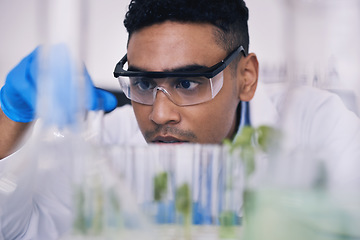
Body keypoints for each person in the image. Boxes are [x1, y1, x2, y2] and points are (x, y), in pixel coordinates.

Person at [0, 0, 360, 239]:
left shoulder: (317, 125)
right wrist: (10, 117)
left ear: (246, 78)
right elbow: (20, 229)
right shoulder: (111, 140)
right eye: (143, 82)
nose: (159, 114)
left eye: (187, 83)